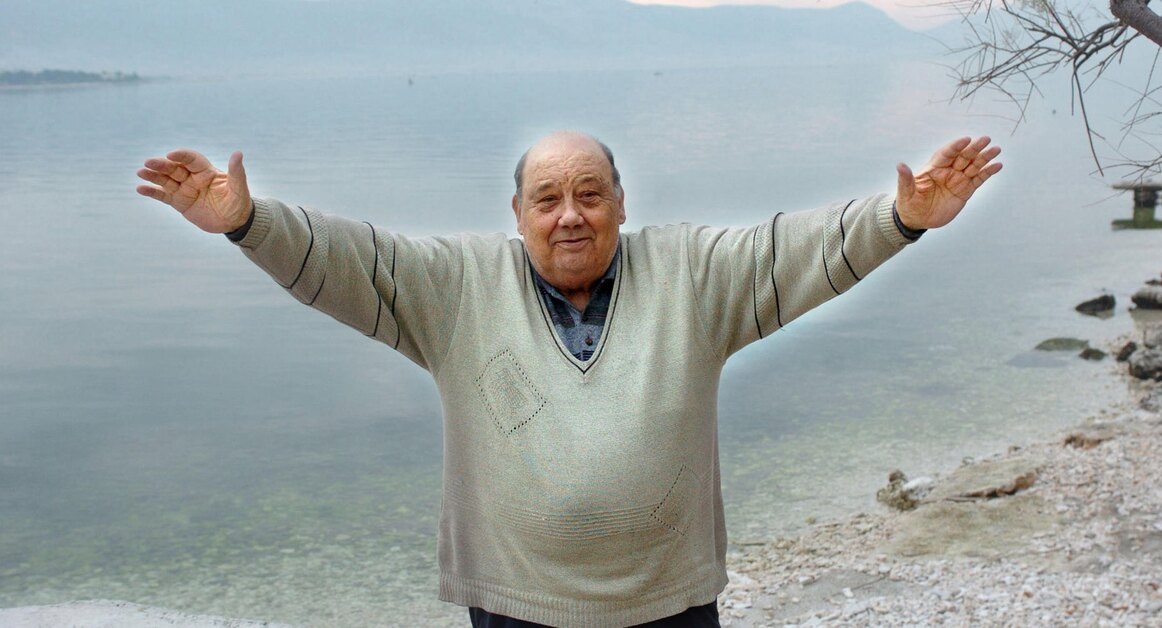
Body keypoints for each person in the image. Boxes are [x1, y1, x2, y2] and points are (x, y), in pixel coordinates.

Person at [136, 131, 1001, 627]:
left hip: (670, 606)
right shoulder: (455, 289)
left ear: (622, 203)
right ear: (517, 215)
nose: (570, 216)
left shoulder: (694, 275)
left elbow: (796, 249)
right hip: (515, 608)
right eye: (547, 199)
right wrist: (248, 222)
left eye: (590, 194)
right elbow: (347, 259)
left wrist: (901, 218)